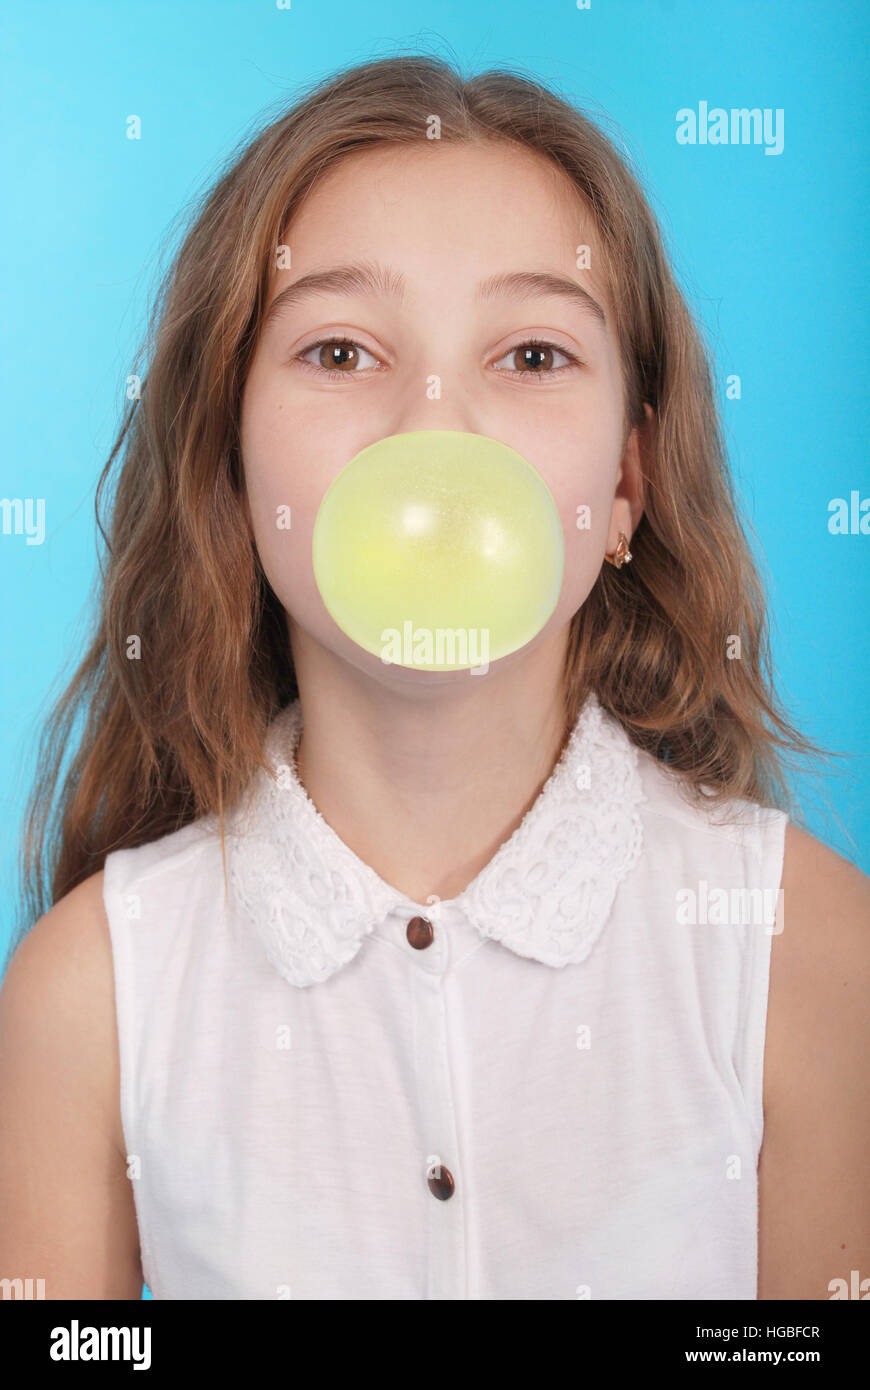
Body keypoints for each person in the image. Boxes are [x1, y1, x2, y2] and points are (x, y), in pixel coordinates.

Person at [0, 55, 867, 1301]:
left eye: (530, 355)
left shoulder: (808, 951)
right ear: (230, 471)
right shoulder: (92, 992)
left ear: (627, 483)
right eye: (343, 351)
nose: (434, 424)